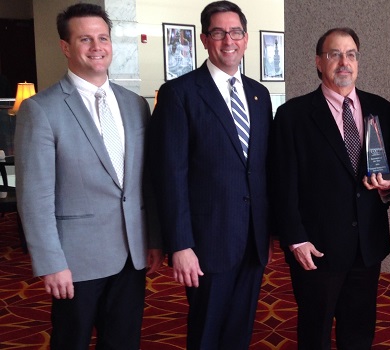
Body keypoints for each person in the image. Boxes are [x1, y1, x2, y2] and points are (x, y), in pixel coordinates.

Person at [14, 3, 162, 348]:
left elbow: (146, 182)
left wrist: (154, 238)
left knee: (124, 341)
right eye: (85, 39)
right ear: (66, 47)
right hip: (75, 261)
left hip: (132, 254)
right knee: (72, 342)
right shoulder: (41, 109)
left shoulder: (135, 104)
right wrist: (51, 262)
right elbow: (35, 197)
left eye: (103, 38)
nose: (97, 47)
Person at [147, 1, 272, 349]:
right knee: (207, 333)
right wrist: (180, 244)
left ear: (246, 39)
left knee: (239, 332)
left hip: (253, 240)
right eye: (218, 32)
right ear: (204, 39)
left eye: (235, 32)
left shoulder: (259, 95)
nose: (227, 40)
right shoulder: (179, 93)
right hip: (206, 242)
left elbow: (261, 169)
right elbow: (169, 175)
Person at [270, 27, 390, 349]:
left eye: (351, 54)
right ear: (319, 61)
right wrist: (295, 239)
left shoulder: (380, 109)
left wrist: (386, 189)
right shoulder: (293, 115)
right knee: (315, 331)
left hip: (366, 244)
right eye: (335, 54)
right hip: (317, 248)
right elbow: (281, 183)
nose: (344, 62)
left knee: (359, 330)